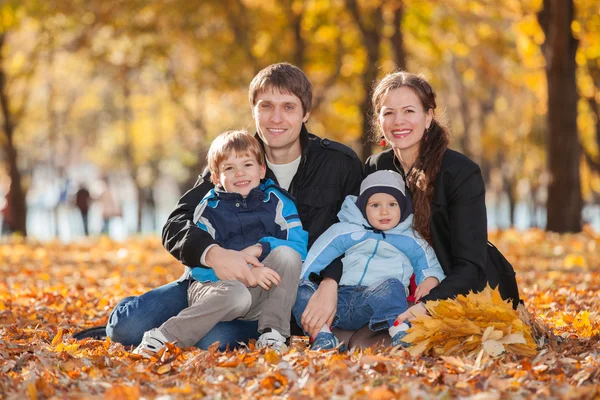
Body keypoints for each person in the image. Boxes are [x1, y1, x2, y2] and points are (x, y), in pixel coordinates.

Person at [93, 62, 364, 350]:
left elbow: (358, 231)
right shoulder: (233, 157)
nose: (276, 118)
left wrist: (330, 282)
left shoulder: (339, 164)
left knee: (214, 341)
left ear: (305, 113)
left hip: (280, 291)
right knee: (126, 328)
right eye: (266, 106)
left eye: (288, 107)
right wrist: (214, 255)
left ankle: (257, 330)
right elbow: (176, 224)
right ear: (254, 111)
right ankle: (156, 318)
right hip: (216, 280)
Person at [326, 71, 520, 348]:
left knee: (371, 346)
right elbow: (354, 233)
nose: (398, 121)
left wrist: (426, 305)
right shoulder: (375, 168)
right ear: (379, 121)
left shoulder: (461, 172)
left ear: (428, 117)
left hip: (461, 287)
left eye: (409, 111)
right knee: (345, 339)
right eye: (388, 112)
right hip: (395, 286)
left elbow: (470, 267)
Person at [133, 130, 307, 356]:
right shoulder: (209, 209)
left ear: (262, 170)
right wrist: (245, 273)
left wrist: (261, 248)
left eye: (247, 165)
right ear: (216, 178)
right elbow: (199, 270)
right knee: (237, 294)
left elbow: (298, 245)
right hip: (215, 289)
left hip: (262, 296)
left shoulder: (277, 201)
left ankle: (273, 334)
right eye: (229, 168)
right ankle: (163, 337)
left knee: (287, 255)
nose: (240, 174)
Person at [293, 170, 445, 350]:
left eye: (392, 204)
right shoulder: (347, 231)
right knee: (298, 290)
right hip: (340, 300)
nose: (384, 211)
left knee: (392, 286)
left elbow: (428, 263)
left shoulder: (409, 238)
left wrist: (430, 280)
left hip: (375, 304)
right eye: (375, 205)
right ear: (363, 207)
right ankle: (323, 336)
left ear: (402, 207)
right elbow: (318, 254)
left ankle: (399, 330)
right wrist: (304, 278)